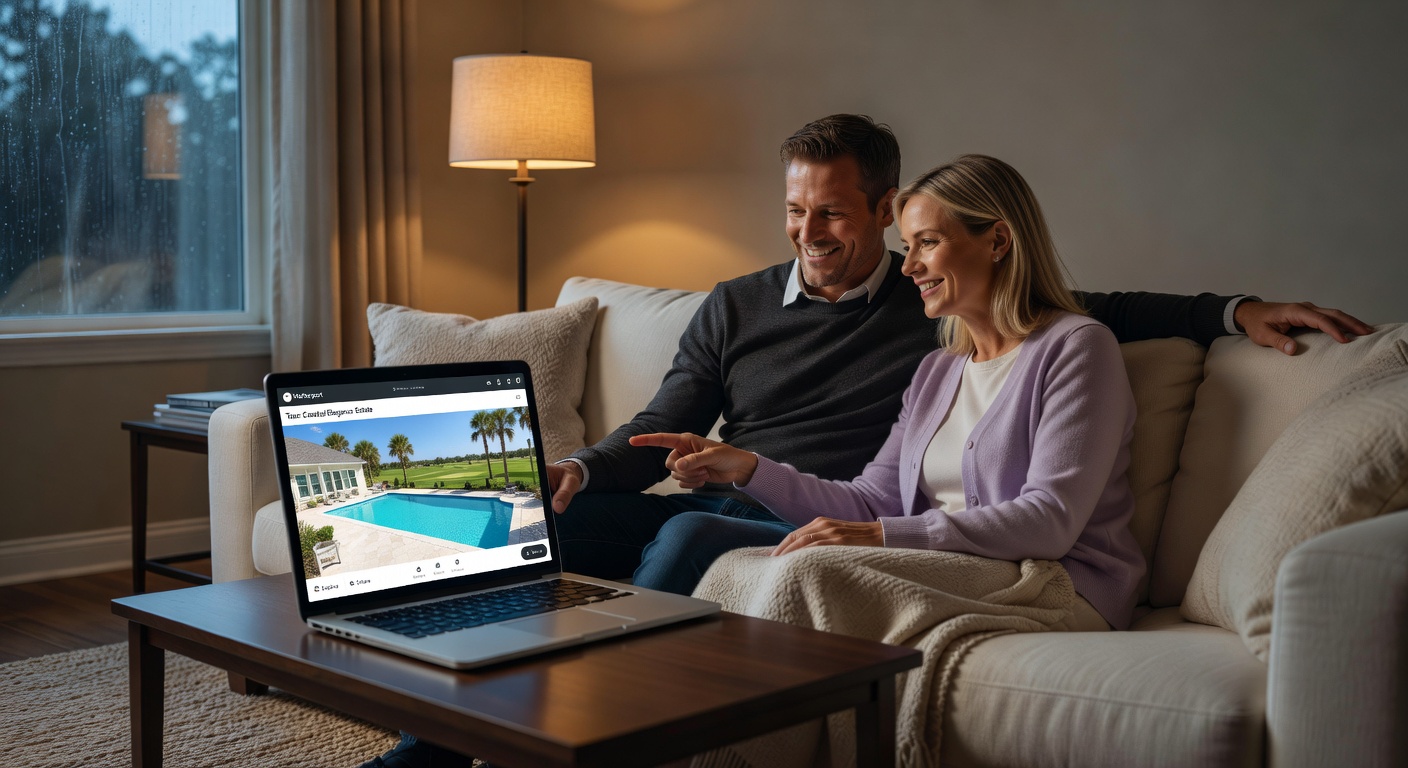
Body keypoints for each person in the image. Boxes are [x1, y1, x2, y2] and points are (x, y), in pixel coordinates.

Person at [355, 115, 1371, 768]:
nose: (809, 231)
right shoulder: (849, 335)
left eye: (834, 214)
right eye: (794, 211)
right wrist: (592, 467)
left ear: (886, 214)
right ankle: (442, 734)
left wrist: (1235, 308)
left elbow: (1087, 322)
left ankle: (628, 739)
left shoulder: (989, 326)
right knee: (529, 537)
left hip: (892, 534)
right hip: (766, 497)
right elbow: (679, 422)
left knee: (701, 558)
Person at [631, 153, 1142, 631]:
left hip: (1051, 577)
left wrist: (881, 536)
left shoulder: (1076, 347)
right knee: (695, 534)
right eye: (908, 245)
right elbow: (872, 501)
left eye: (928, 242)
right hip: (950, 561)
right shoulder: (939, 370)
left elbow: (1049, 522)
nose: (909, 266)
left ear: (998, 241)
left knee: (807, 572)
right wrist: (749, 468)